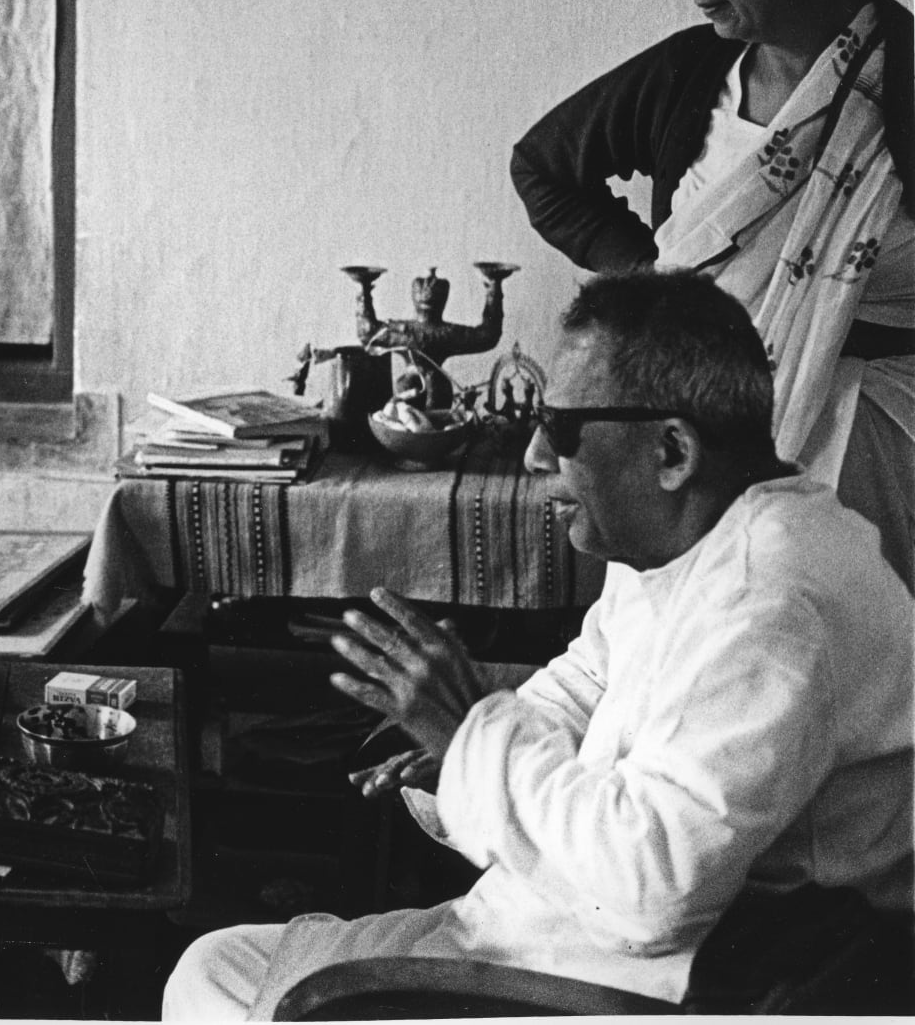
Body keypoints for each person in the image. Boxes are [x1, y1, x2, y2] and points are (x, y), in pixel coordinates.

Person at [163, 270, 912, 1018]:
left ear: (671, 452)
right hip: (596, 934)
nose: (533, 457)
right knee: (218, 966)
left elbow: (650, 892)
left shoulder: (767, 600)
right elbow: (589, 679)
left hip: (692, 979)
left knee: (235, 993)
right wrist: (469, 750)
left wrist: (475, 736)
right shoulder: (687, 538)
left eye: (560, 428)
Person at [510, 0, 913, 587]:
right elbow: (543, 167)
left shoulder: (901, 87)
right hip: (698, 464)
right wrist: (662, 287)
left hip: (873, 464)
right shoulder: (688, 77)